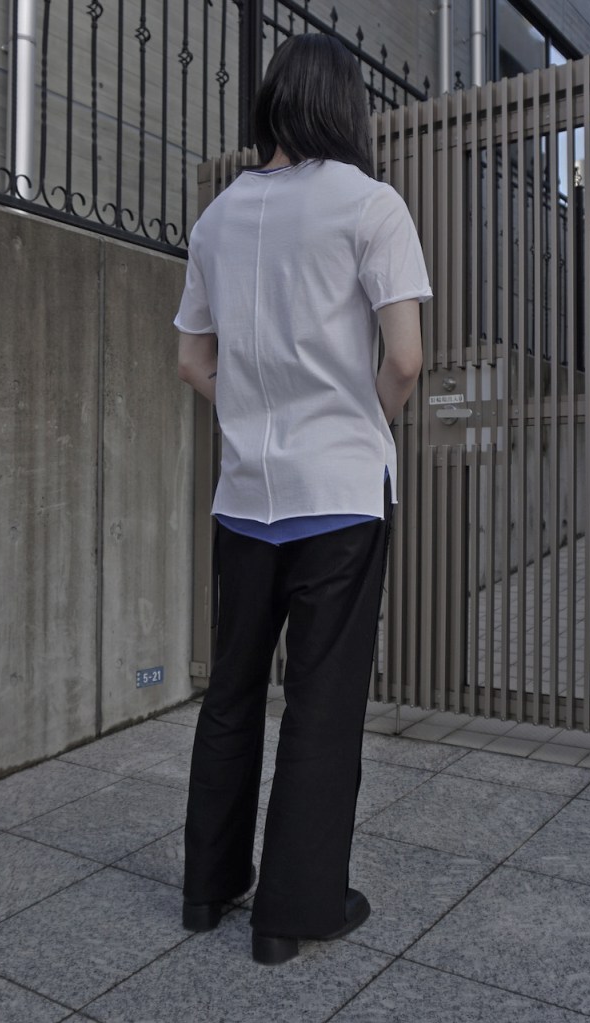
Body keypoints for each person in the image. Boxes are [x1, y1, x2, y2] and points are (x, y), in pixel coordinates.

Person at [174, 32, 431, 965]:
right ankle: (292, 911)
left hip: (246, 493)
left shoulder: (216, 218)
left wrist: (253, 411)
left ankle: (207, 888)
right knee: (322, 701)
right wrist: (365, 423)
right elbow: (403, 358)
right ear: (344, 106)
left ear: (272, 104)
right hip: (339, 495)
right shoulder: (370, 205)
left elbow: (191, 360)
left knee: (232, 690)